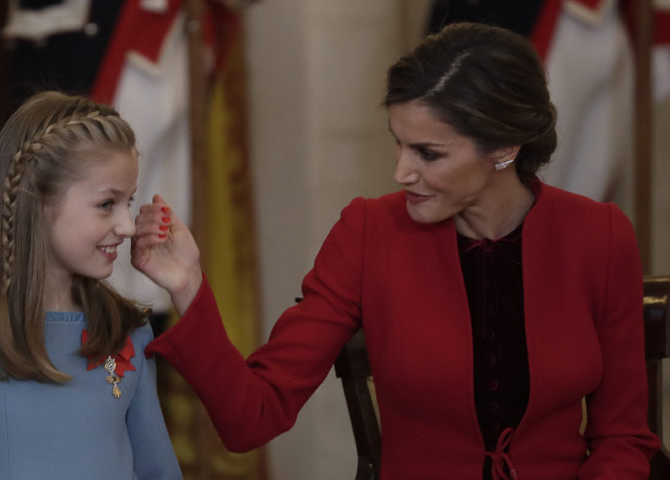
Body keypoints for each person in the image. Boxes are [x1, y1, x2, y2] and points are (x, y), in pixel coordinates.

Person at [131, 22, 661, 479]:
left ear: (504, 147)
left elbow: (623, 438)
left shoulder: (600, 235)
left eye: (428, 153)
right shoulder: (368, 232)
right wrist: (188, 287)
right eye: (399, 142)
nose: (401, 172)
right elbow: (254, 417)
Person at [0, 92, 182, 480]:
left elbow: (159, 472)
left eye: (128, 202)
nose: (127, 227)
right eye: (107, 204)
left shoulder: (129, 332)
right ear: (35, 201)